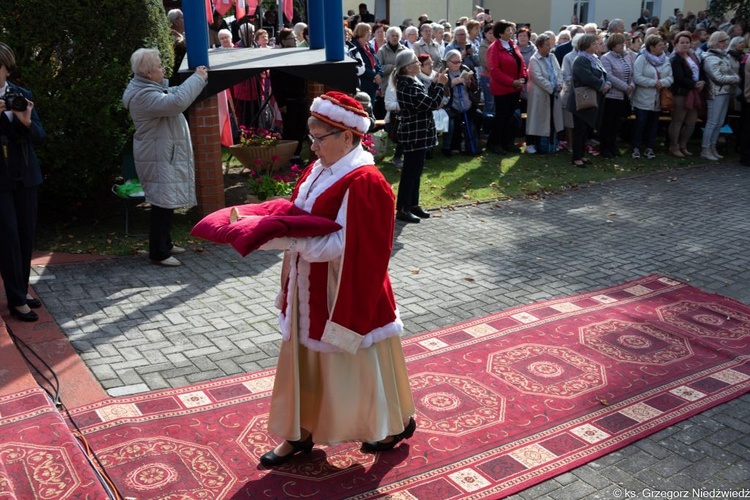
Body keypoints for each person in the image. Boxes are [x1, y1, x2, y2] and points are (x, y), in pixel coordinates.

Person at [257, 91, 415, 467]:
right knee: (302, 361)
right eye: (311, 137)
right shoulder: (320, 169)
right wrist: (267, 223)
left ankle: (391, 424)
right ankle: (299, 433)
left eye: (319, 138)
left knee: (356, 365)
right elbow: (303, 216)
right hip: (307, 286)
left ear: (348, 136)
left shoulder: (365, 180)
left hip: (345, 291)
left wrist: (283, 238)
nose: (312, 147)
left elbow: (347, 245)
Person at [122, 48, 208, 267]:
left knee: (165, 201)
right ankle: (158, 252)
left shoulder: (148, 87)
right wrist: (198, 78)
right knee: (162, 203)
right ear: (149, 73)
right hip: (156, 154)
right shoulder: (144, 95)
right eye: (159, 67)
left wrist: (196, 81)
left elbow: (174, 92)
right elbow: (176, 102)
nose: (163, 70)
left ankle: (166, 244)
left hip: (160, 153)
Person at [0, 43, 46, 322]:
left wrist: (26, 120)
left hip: (26, 176)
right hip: (0, 181)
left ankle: (21, 288)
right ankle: (16, 299)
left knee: (26, 235)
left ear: (6, 67)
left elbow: (40, 137)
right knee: (8, 238)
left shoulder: (22, 96)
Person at [393, 50, 448, 223]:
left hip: (420, 132)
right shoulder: (406, 85)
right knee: (410, 172)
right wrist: (440, 85)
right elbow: (430, 104)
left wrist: (434, 84)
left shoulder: (411, 82)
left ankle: (413, 204)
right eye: (416, 61)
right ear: (408, 68)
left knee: (416, 171)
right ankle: (403, 208)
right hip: (413, 133)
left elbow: (425, 99)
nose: (419, 63)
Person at [567, 34, 611, 167]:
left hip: (592, 99)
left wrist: (606, 82)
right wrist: (602, 86)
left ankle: (581, 155)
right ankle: (576, 158)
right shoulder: (580, 60)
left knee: (586, 130)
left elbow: (603, 74)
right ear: (586, 46)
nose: (597, 46)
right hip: (582, 100)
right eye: (594, 44)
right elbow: (587, 78)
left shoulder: (594, 59)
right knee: (580, 130)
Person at [486, 20, 527, 154]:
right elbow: (494, 70)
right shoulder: (494, 48)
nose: (512, 32)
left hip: (515, 88)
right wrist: (512, 82)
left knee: (510, 117)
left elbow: (521, 63)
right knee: (501, 117)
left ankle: (507, 142)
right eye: (509, 30)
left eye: (512, 29)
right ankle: (494, 143)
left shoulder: (512, 45)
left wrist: (523, 77)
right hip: (502, 89)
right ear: (501, 32)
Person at [631, 34, 673, 159]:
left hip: (658, 99)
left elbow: (670, 77)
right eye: (660, 45)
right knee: (641, 123)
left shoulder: (666, 59)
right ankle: (636, 148)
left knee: (653, 125)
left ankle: (649, 148)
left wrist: (662, 83)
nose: (663, 47)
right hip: (643, 98)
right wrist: (653, 83)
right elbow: (637, 77)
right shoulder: (642, 58)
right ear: (652, 47)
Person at [701, 31, 739, 160]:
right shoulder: (710, 57)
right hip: (715, 93)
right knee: (712, 122)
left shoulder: (723, 56)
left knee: (720, 122)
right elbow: (717, 77)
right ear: (716, 42)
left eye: (727, 41)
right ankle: (705, 149)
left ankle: (713, 146)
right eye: (723, 41)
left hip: (725, 91)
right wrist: (734, 78)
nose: (726, 43)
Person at [669, 31, 706, 157]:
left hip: (694, 93)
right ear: (676, 44)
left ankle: (683, 145)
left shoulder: (692, 56)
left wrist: (701, 81)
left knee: (691, 122)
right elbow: (679, 77)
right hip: (681, 93)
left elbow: (699, 71)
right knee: (678, 121)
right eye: (682, 43)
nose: (685, 45)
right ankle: (674, 146)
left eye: (687, 42)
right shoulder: (675, 59)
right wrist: (694, 84)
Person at [525, 33, 563, 154]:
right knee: (537, 119)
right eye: (546, 45)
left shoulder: (552, 56)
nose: (549, 47)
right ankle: (533, 144)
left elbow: (558, 71)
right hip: (540, 94)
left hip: (554, 93)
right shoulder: (534, 59)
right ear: (540, 46)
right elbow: (537, 77)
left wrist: (560, 84)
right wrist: (552, 88)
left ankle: (551, 142)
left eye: (549, 44)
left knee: (552, 118)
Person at [441, 49, 481, 156]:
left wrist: (469, 83)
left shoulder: (465, 69)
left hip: (467, 103)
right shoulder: (443, 73)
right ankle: (453, 146)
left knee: (478, 116)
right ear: (447, 61)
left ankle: (473, 143)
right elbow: (440, 91)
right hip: (452, 105)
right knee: (454, 122)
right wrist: (451, 84)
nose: (457, 64)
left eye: (459, 61)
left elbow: (475, 87)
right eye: (454, 62)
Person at [600, 33, 634, 157]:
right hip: (611, 96)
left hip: (624, 96)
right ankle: (605, 148)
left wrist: (631, 85)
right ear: (613, 45)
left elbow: (631, 73)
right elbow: (609, 76)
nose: (622, 46)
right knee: (608, 123)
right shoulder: (606, 58)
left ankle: (613, 146)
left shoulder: (627, 56)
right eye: (620, 44)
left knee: (617, 123)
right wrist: (625, 87)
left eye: (623, 44)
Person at [350, 23, 383, 103]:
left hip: (373, 83)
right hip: (363, 83)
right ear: (361, 32)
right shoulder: (354, 47)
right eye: (367, 31)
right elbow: (358, 65)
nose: (370, 34)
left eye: (370, 31)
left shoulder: (369, 46)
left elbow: (377, 62)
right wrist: (374, 75)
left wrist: (380, 73)